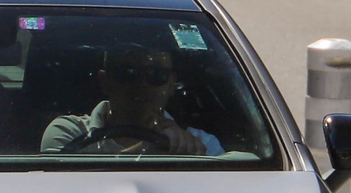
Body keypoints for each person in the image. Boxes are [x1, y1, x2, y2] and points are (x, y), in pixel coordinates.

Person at [42, 46, 222, 156]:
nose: (141, 85)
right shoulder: (68, 132)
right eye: (127, 74)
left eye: (156, 74)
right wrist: (157, 146)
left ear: (171, 84)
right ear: (104, 81)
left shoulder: (201, 144)